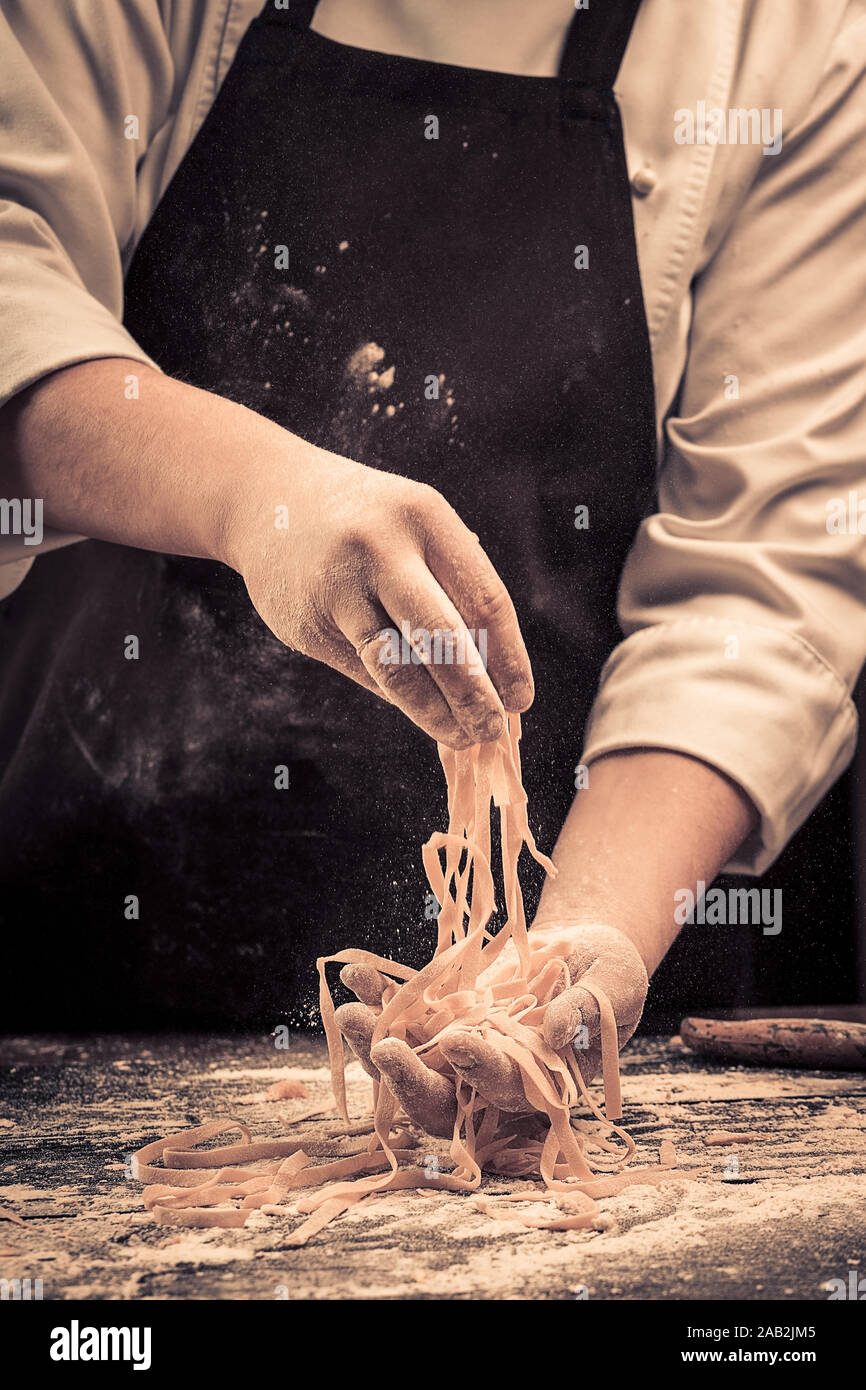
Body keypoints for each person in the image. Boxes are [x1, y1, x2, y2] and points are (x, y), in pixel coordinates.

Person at [1, 0, 864, 1130]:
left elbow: (761, 576)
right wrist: (253, 496)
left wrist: (553, 972)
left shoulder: (796, 35)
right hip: (70, 961)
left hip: (587, 860)